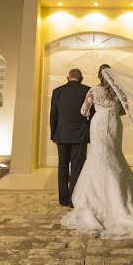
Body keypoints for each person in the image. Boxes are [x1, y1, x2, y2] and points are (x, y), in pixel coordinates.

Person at [61, 64, 133, 238]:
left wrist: (93, 113)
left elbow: (83, 110)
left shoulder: (94, 90)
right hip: (114, 124)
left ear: (99, 76)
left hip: (98, 124)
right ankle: (121, 201)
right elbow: (124, 111)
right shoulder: (119, 90)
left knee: (98, 155)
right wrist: (112, 112)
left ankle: (94, 199)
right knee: (114, 155)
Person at [50, 68, 93, 207]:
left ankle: (63, 199)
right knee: (77, 166)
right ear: (81, 78)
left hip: (62, 134)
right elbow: (91, 114)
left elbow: (53, 115)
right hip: (80, 135)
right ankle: (73, 200)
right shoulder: (87, 90)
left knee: (62, 166)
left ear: (67, 77)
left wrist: (53, 134)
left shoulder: (57, 91)